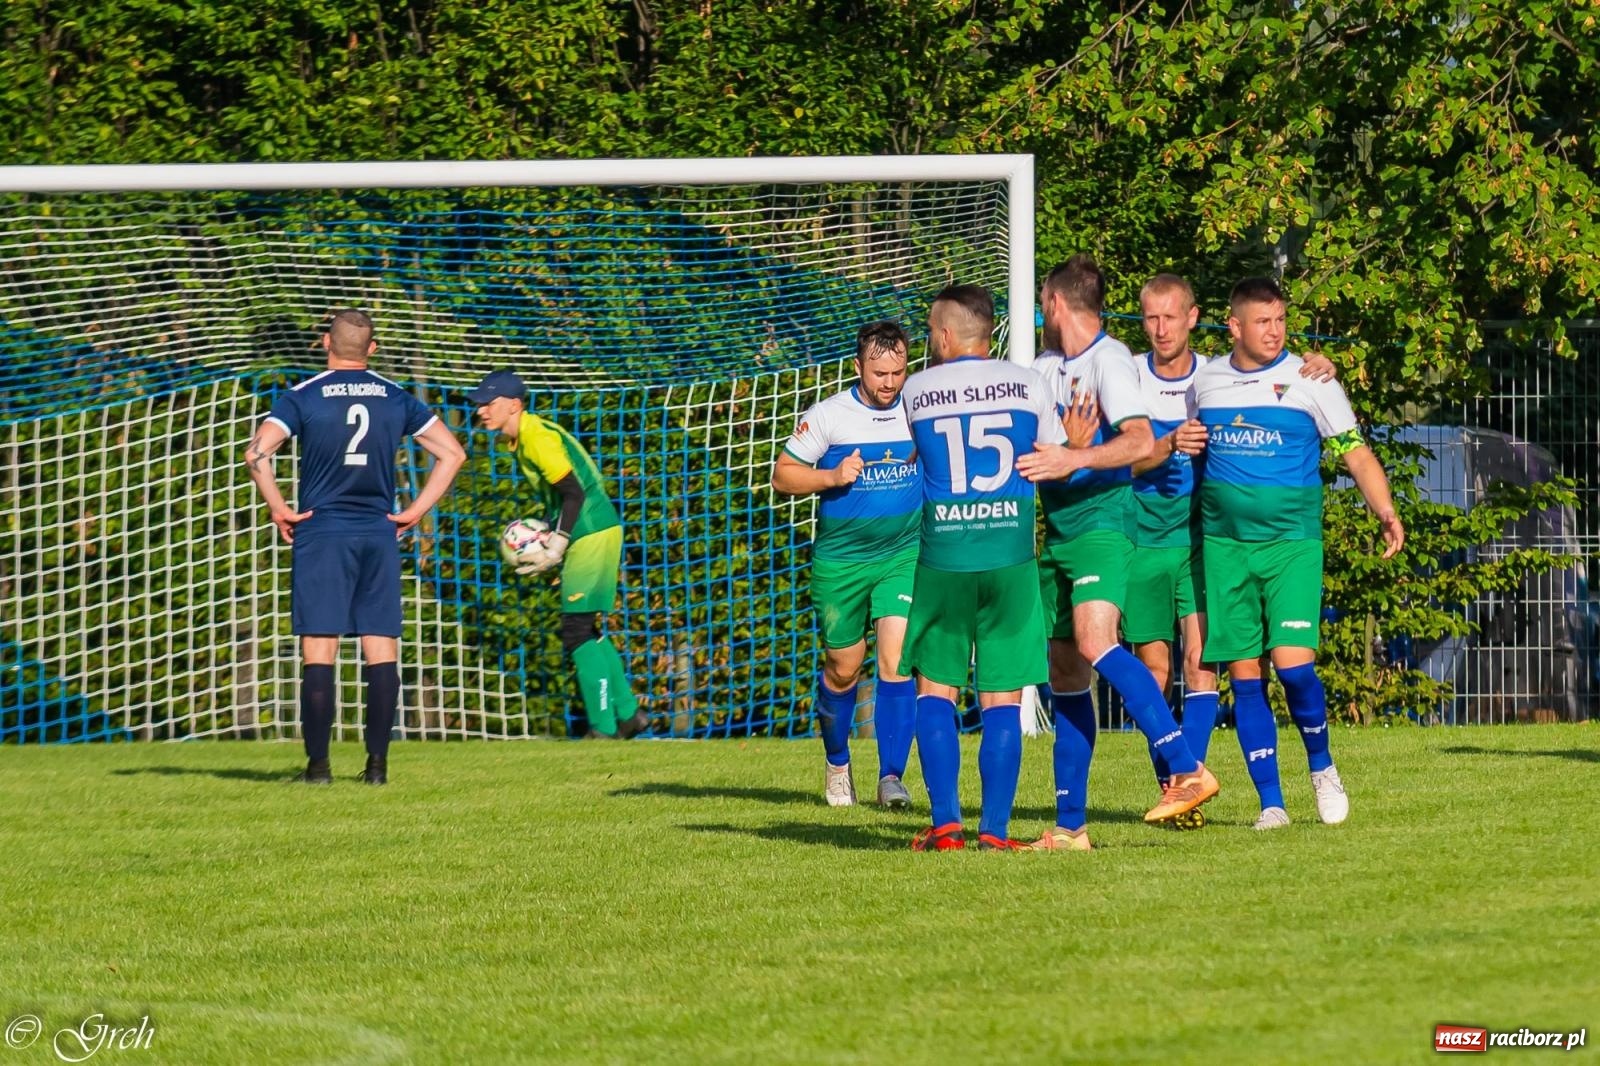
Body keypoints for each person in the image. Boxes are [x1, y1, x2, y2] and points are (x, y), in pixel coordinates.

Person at [1015, 255, 1216, 851]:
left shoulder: (1110, 360)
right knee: (1066, 673)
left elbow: (1139, 441)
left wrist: (1076, 456)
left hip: (1106, 523)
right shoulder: (1045, 366)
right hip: (1058, 530)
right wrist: (1063, 446)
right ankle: (1071, 828)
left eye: (1040, 304)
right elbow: (1035, 445)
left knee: (1096, 642)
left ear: (1054, 304)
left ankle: (1186, 767)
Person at [1124, 274, 1341, 824]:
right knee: (1153, 670)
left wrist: (1321, 366)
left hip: (1206, 541)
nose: (1160, 329)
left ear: (1195, 319)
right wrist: (1166, 444)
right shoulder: (1126, 380)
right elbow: (1113, 460)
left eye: (1171, 317)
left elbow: (1274, 372)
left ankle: (1193, 781)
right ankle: (1176, 779)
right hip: (1144, 540)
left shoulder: (1210, 375)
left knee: (1204, 667)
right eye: (1151, 318)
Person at [1194, 276, 1405, 828]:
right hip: (1225, 549)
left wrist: (1384, 511)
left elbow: (1355, 453)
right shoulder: (1206, 382)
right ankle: (1271, 804)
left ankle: (1322, 767)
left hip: (1292, 546)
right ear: (1234, 326)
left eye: (1281, 320)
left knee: (1292, 668)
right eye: (1262, 322)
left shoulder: (1311, 378)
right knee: (1244, 675)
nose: (1275, 331)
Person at [244, 309, 467, 785]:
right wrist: (415, 511)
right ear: (372, 349)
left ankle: (319, 768)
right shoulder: (396, 396)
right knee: (380, 648)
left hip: (323, 534)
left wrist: (279, 507)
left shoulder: (301, 397)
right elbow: (453, 454)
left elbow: (257, 453)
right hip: (377, 533)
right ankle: (377, 768)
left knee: (319, 651)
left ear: (326, 343)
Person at [899, 284, 1063, 851]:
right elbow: (1054, 456)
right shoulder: (1029, 383)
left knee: (935, 691)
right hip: (1010, 556)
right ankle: (993, 830)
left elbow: (907, 458)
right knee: (1002, 697)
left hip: (944, 557)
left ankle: (946, 824)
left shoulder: (917, 389)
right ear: (987, 331)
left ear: (944, 335)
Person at [770, 321, 921, 808]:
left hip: (903, 554)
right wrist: (832, 476)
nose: (890, 383)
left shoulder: (919, 408)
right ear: (858, 367)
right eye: (879, 373)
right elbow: (782, 475)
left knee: (897, 661)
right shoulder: (830, 415)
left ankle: (891, 777)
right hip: (842, 563)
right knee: (843, 668)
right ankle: (838, 765)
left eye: (898, 371)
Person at [467, 369, 649, 741]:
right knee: (587, 628)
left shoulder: (535, 438)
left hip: (591, 533)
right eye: (480, 404)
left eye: (489, 403)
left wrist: (557, 544)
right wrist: (556, 542)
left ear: (514, 405)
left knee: (575, 632)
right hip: (596, 531)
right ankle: (629, 715)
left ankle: (602, 727)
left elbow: (574, 493)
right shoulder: (528, 435)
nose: (481, 411)